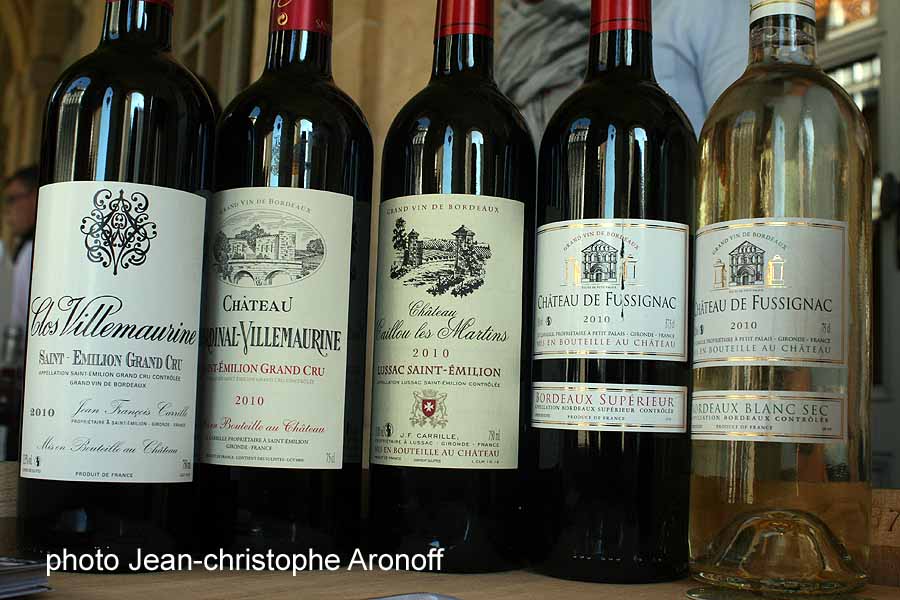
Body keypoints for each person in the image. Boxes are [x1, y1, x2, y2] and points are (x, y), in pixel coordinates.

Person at [498, 0, 750, 139]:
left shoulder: (702, 6)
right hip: (556, 207)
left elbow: (742, 131)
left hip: (662, 206)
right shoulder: (515, 33)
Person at [2, 166, 39, 331]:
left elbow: (15, 323)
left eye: (12, 199)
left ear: (35, 197)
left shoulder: (32, 252)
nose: (7, 211)